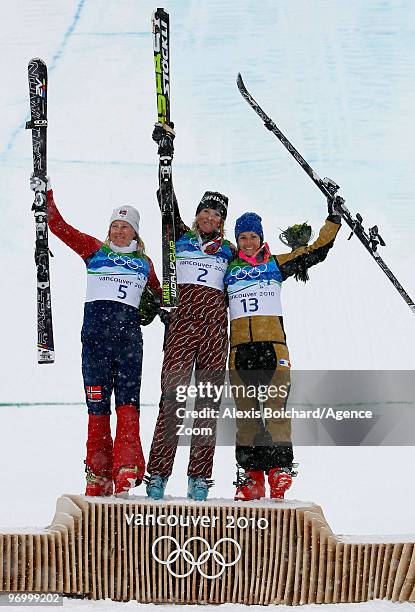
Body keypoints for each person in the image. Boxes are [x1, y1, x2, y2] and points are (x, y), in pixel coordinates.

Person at [30, 176, 162, 497]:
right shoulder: (95, 251)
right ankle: (99, 472)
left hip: (128, 342)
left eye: (125, 226)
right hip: (94, 344)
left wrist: (156, 306)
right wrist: (44, 194)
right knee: (97, 407)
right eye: (115, 225)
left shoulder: (144, 263)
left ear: (135, 232)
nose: (118, 231)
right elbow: (59, 227)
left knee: (127, 405)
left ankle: (127, 466)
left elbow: (161, 297)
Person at [224, 200, 342, 501]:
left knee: (276, 410)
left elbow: (315, 251)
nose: (248, 242)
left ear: (261, 239)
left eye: (253, 236)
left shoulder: (275, 264)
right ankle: (251, 477)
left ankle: (278, 470)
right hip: (240, 350)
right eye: (243, 237)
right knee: (247, 414)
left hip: (273, 348)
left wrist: (333, 219)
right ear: (237, 241)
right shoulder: (227, 269)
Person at [145, 123, 236, 502]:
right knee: (173, 398)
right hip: (183, 324)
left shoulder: (231, 250)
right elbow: (166, 201)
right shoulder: (179, 235)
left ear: (222, 220)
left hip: (215, 327)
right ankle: (158, 475)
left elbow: (257, 273)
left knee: (208, 403)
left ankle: (199, 477)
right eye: (205, 212)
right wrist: (165, 156)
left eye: (216, 215)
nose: (208, 218)